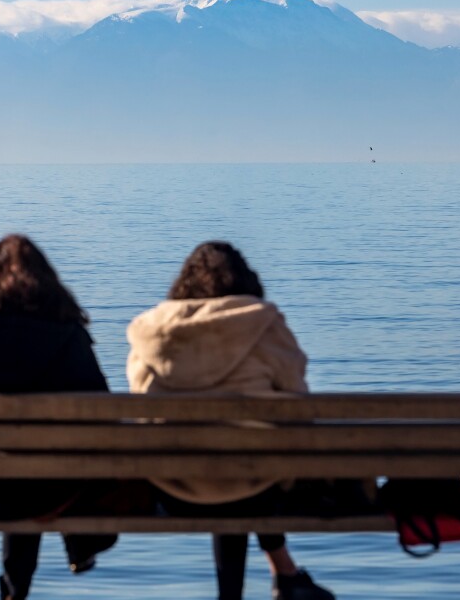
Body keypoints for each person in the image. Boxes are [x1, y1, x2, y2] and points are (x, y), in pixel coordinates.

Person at [126, 241, 335, 600]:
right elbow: (299, 404)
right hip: (256, 485)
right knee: (241, 465)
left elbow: (142, 408)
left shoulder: (152, 334)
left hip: (173, 488)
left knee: (220, 463)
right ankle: (283, 575)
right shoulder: (262, 323)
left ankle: (273, 578)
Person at [0, 234, 118, 600]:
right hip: (52, 488)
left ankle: (14, 589)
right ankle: (32, 578)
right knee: (38, 464)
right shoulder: (68, 335)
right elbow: (99, 411)